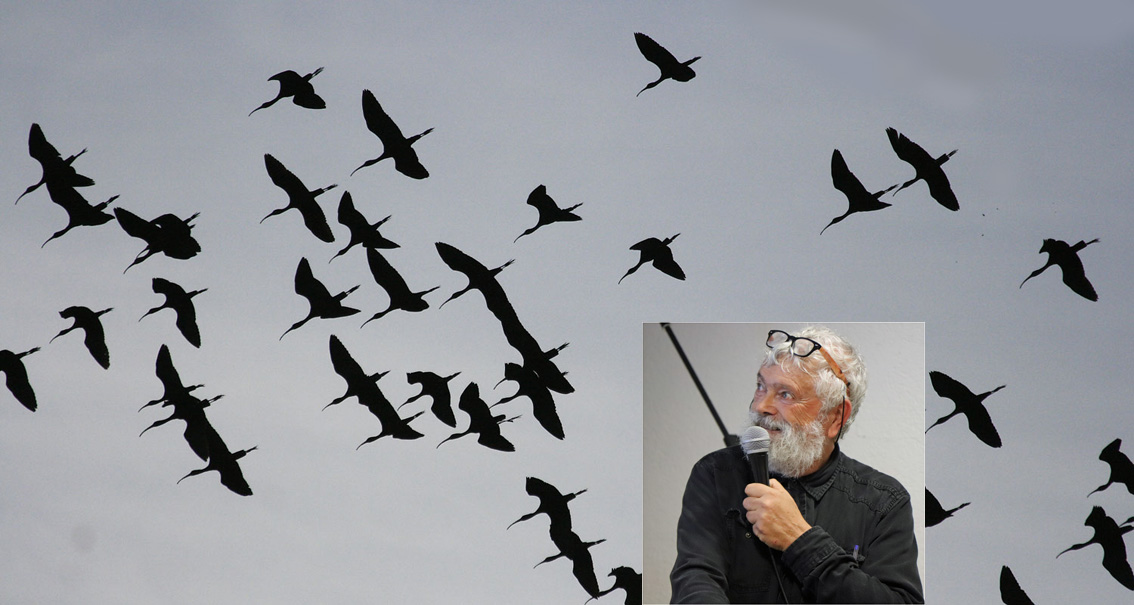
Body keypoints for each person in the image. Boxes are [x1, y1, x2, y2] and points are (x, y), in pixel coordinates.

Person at [670, 326, 923, 603]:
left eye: (785, 395)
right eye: (760, 386)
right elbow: (696, 582)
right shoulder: (715, 474)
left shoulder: (884, 502)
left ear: (836, 417)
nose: (760, 406)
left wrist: (799, 540)